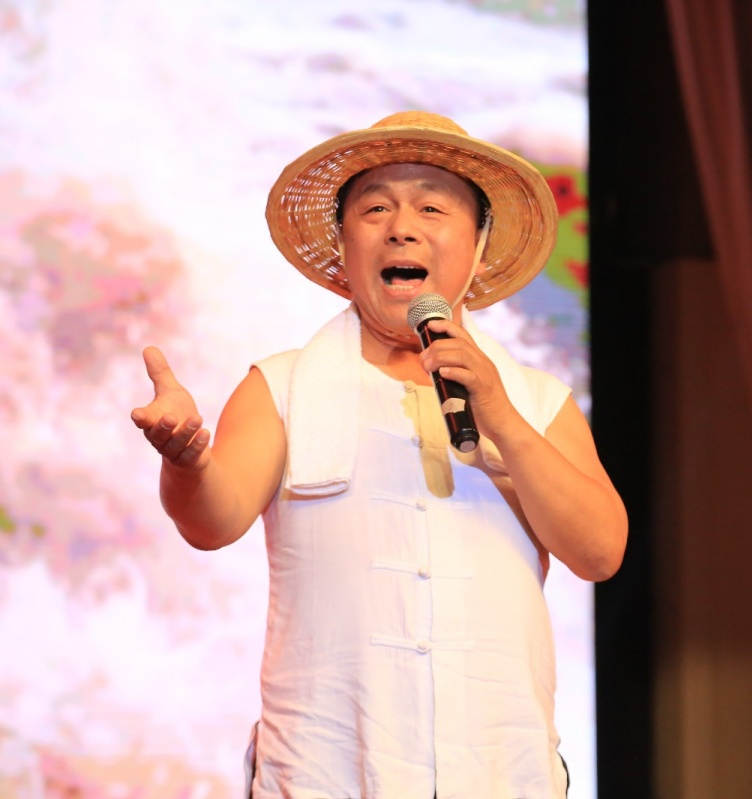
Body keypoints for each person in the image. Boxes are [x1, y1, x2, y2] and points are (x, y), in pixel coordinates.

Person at [130, 111, 627, 798]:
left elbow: (601, 552)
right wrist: (185, 462)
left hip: (499, 775)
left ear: (479, 247)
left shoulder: (536, 401)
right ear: (344, 246)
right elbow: (211, 521)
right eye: (375, 209)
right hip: (326, 775)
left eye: (432, 208)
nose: (402, 227)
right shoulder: (281, 385)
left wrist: (503, 420)